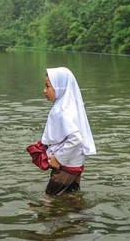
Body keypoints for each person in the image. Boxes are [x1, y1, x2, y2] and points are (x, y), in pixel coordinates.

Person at [38, 67, 97, 195]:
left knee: (49, 200)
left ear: (60, 87)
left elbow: (76, 138)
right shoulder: (69, 106)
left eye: (47, 86)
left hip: (66, 168)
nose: (44, 90)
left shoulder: (63, 112)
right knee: (72, 198)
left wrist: (58, 158)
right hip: (75, 165)